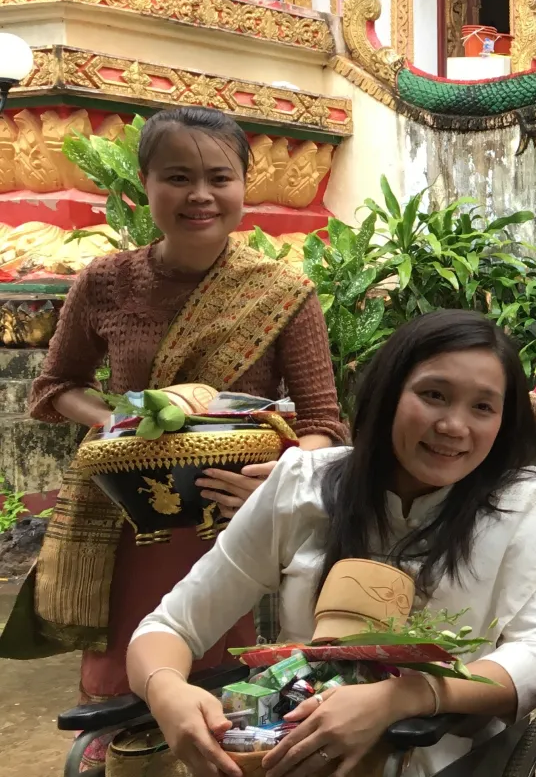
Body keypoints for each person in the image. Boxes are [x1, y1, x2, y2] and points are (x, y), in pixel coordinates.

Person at [127, 310, 536, 777]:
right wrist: (167, 691)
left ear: (505, 422)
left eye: (483, 407)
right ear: (388, 394)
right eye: (433, 395)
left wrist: (405, 696)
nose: (453, 425)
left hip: (451, 761)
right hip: (287, 755)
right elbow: (171, 626)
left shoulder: (527, 508)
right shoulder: (302, 485)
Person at [0, 108, 346, 722]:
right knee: (127, 692)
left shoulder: (282, 290)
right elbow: (55, 387)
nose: (201, 195)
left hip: (241, 519)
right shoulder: (105, 281)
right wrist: (117, 421)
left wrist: (282, 476)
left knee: (238, 689)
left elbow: (324, 423)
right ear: (145, 182)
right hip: (133, 515)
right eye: (178, 177)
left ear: (244, 183)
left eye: (220, 177)